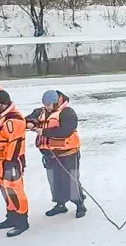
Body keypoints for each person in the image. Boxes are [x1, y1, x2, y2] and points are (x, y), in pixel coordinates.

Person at [28, 90, 87, 219]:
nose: (47, 107)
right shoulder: (42, 111)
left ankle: (79, 204)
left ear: (56, 102)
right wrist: (31, 122)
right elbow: (31, 117)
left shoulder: (68, 112)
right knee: (54, 181)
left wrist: (44, 132)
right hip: (50, 154)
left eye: (49, 104)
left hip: (68, 153)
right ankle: (60, 204)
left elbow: (65, 130)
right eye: (45, 104)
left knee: (71, 181)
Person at [0, 90, 30, 237]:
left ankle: (22, 221)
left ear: (3, 105)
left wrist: (10, 163)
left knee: (14, 190)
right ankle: (11, 216)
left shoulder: (13, 120)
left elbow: (15, 144)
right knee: (4, 188)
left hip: (10, 161)